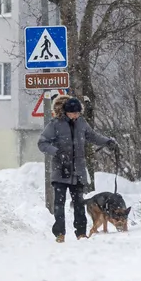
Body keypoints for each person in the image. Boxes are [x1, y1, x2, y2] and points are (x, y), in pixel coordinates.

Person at [37, 95, 117, 242]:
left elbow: (93, 136)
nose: (76, 115)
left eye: (78, 113)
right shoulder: (55, 124)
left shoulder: (81, 123)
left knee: (79, 204)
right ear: (66, 112)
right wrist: (57, 152)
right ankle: (60, 233)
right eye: (74, 113)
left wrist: (108, 142)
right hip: (61, 171)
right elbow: (42, 143)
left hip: (78, 171)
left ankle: (81, 233)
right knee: (59, 204)